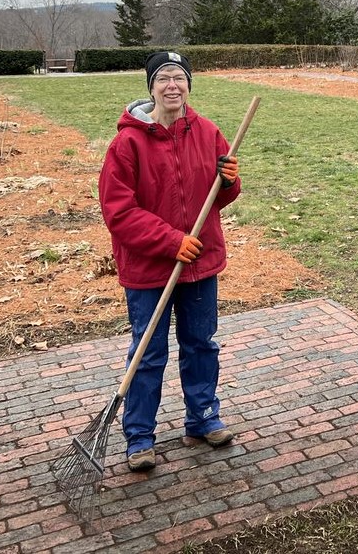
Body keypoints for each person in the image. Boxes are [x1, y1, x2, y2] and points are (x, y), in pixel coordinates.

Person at [98, 51, 242, 472]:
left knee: (201, 344)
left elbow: (219, 198)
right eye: (163, 78)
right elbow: (118, 211)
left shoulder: (208, 132)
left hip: (199, 261)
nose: (172, 85)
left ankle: (203, 418)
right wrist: (170, 241)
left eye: (179, 77)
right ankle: (140, 436)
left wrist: (229, 182)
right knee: (148, 352)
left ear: (188, 85)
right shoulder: (127, 143)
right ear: (151, 87)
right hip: (149, 268)